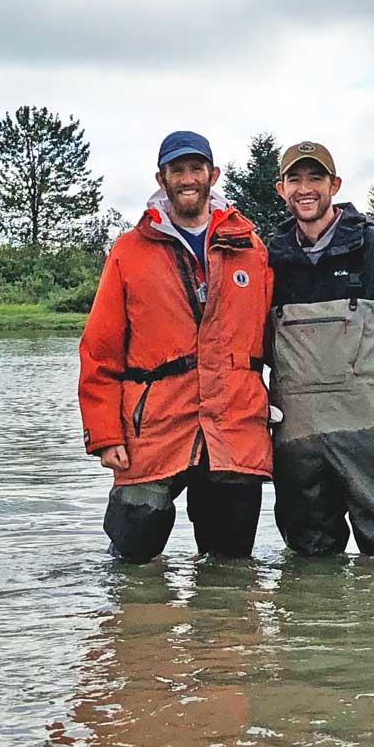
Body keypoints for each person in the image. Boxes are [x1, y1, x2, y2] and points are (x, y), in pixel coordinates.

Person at [79, 130, 274, 561]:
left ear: (213, 174)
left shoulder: (251, 249)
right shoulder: (128, 251)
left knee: (230, 569)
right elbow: (99, 349)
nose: (188, 178)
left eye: (196, 169)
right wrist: (104, 434)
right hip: (153, 427)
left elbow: (278, 341)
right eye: (177, 170)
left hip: (234, 426)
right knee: (133, 557)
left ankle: (223, 629)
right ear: (162, 178)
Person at [266, 140, 374, 557]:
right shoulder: (267, 258)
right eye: (295, 179)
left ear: (335, 184)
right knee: (307, 560)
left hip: (373, 437)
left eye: (316, 178)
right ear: (281, 189)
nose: (305, 189)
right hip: (297, 441)